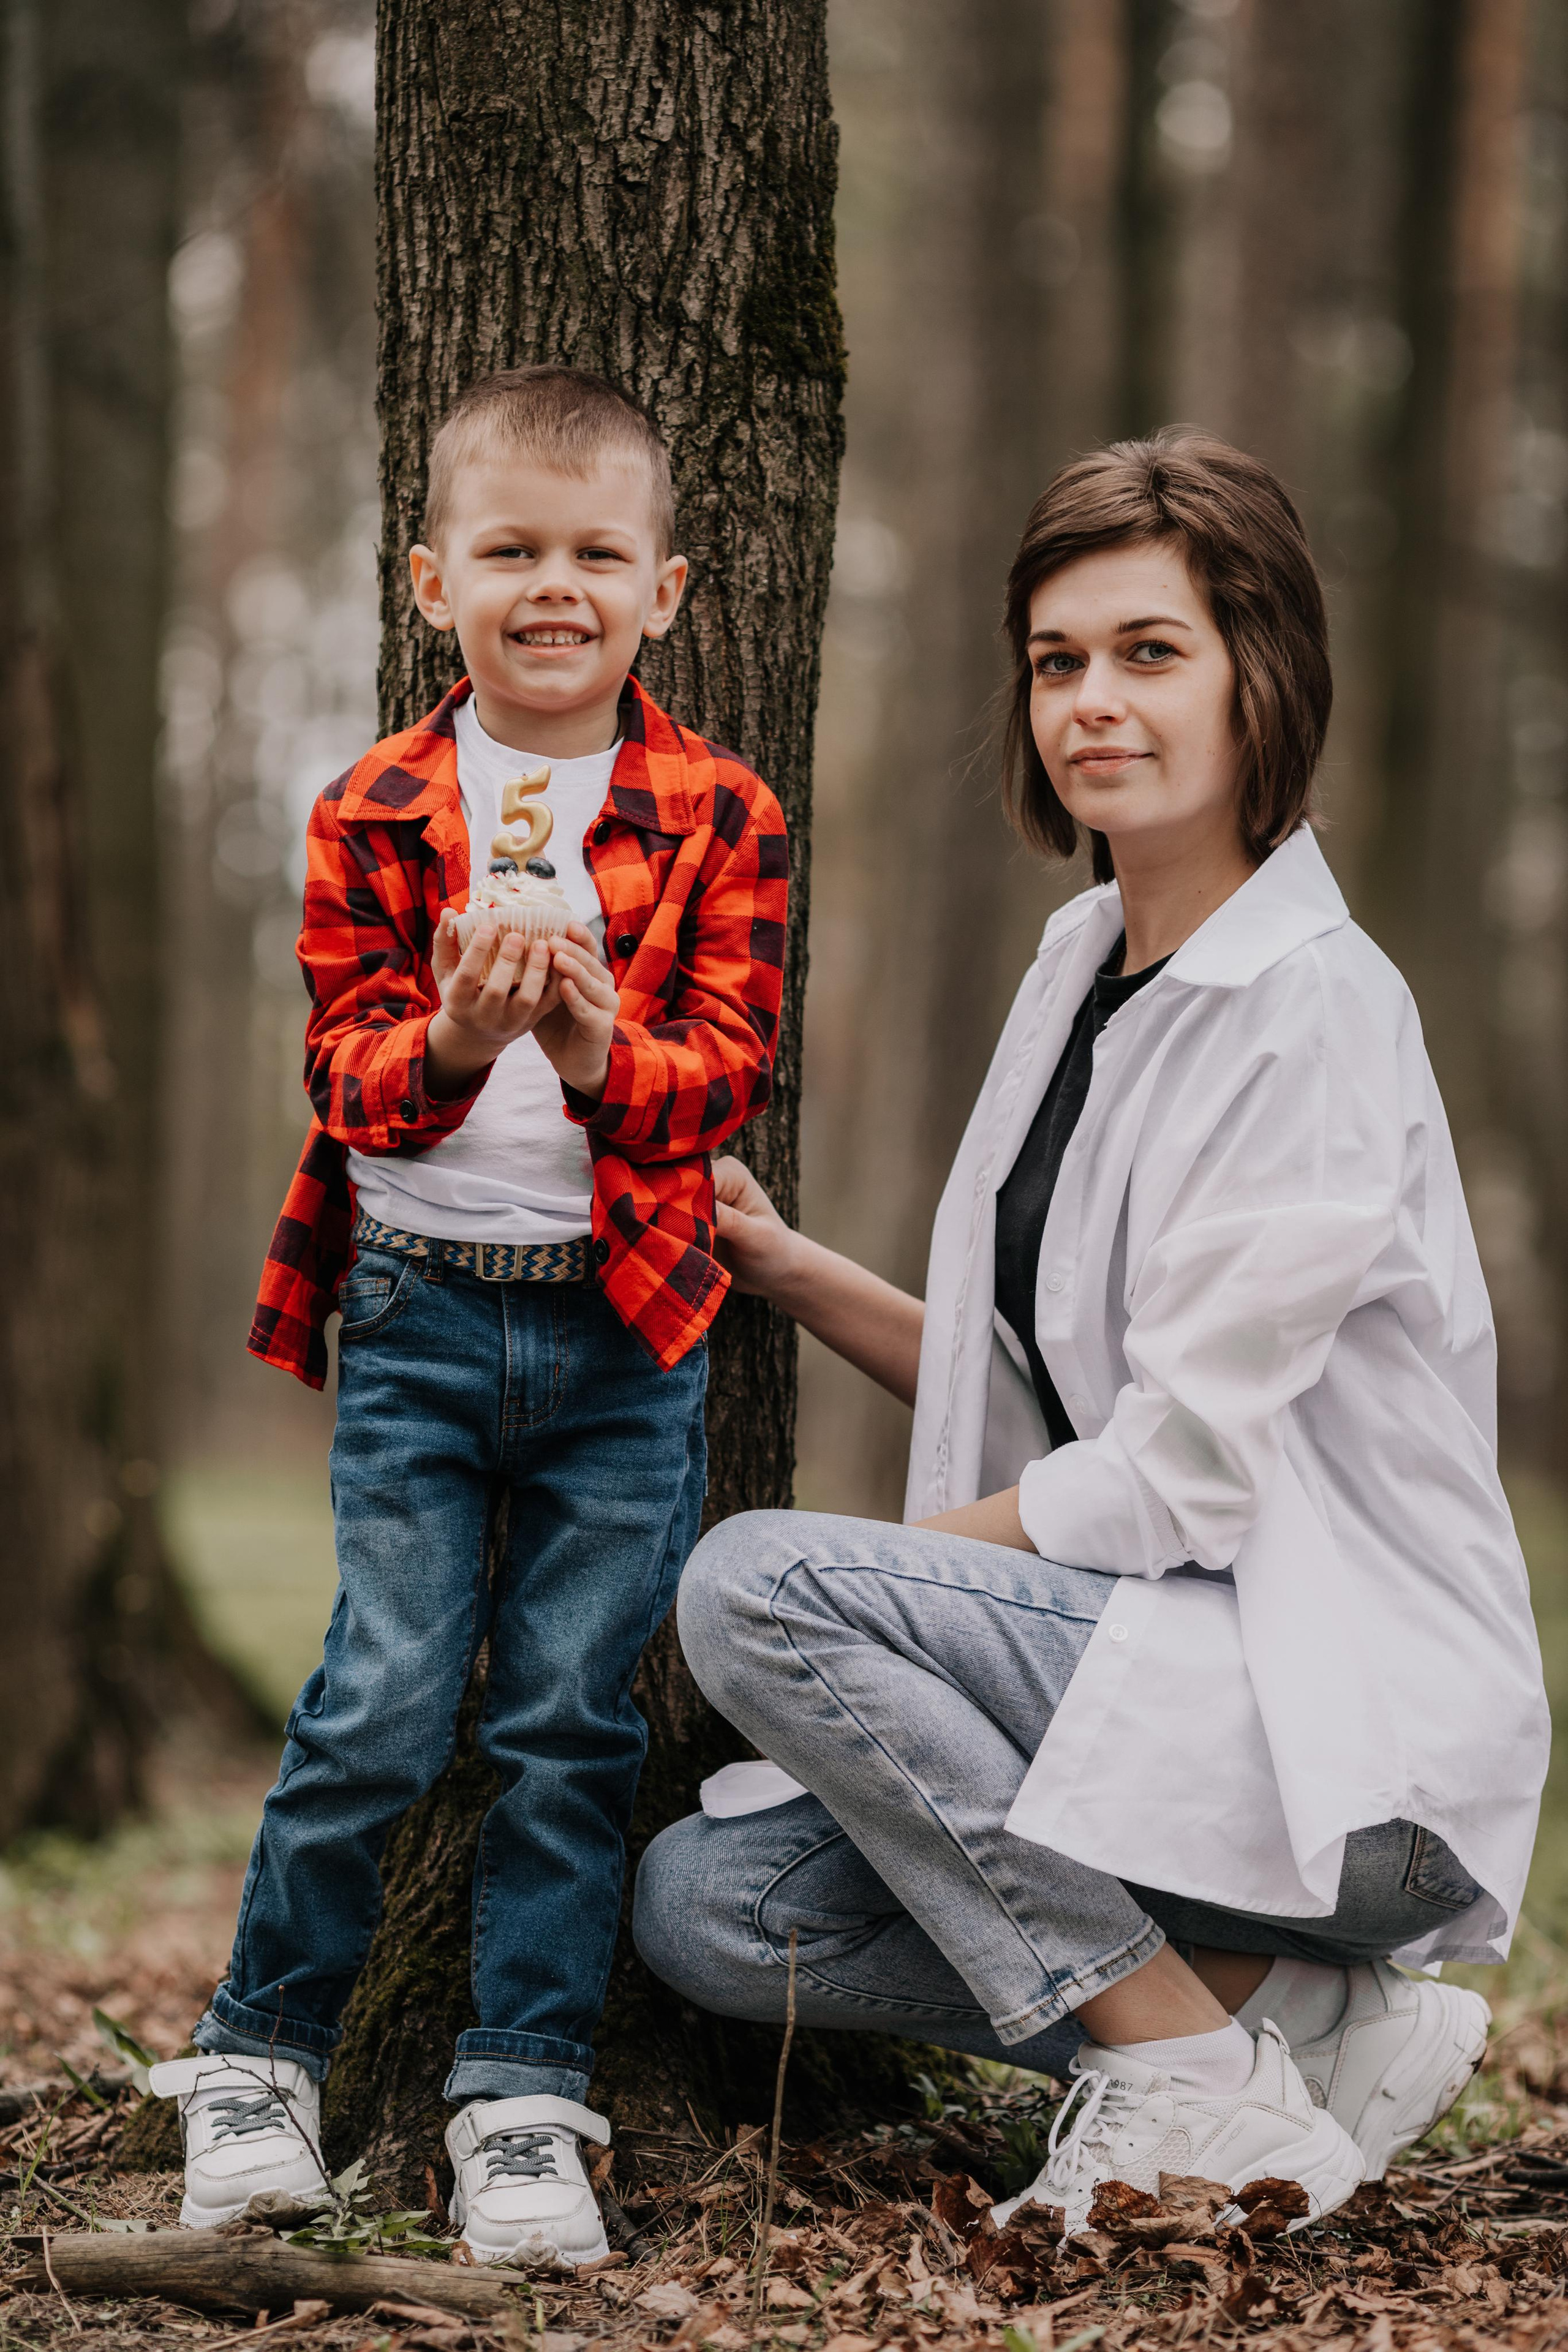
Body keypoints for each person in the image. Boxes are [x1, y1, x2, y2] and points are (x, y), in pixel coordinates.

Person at [633, 430, 1548, 2233]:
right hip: (1172, 1683)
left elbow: (1173, 1487)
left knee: (755, 1587)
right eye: (1057, 662)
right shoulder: (1081, 967)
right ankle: (1295, 2022)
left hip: (1356, 1745)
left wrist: (853, 1593)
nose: (1089, 703)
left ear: (1260, 675)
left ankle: (1183, 2081)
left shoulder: (1316, 1017)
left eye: (1150, 652)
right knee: (710, 1911)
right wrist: (799, 1274)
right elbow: (1062, 1404)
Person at [149, 368, 788, 2266]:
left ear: (665, 592)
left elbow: (723, 1074)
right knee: (384, 1697)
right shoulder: (378, 803)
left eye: (599, 553)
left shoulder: (716, 810)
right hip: (423, 1313)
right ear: (434, 580)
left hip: (626, 1325)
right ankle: (260, 2059)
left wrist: (592, 1044)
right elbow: (348, 1077)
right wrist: (454, 1038)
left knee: (577, 1721)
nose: (555, 587)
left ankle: (519, 2091)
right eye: (511, 550)